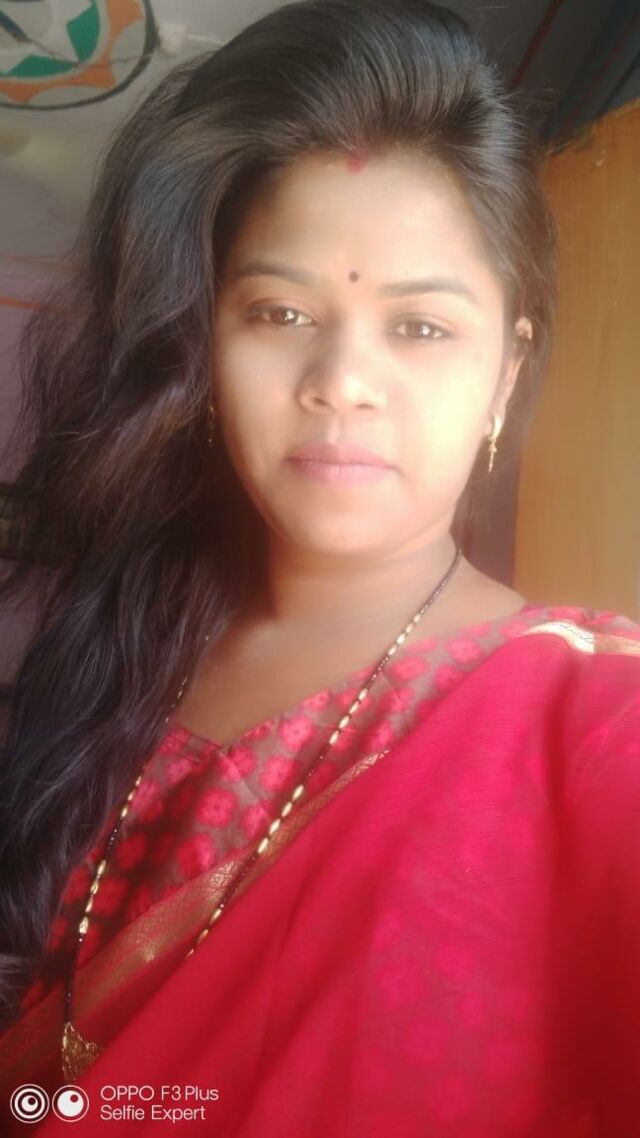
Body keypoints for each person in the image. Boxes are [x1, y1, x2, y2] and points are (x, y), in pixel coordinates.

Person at [0, 1, 639, 1134]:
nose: (341, 379)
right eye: (281, 312)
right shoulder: (120, 642)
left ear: (505, 374)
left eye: (421, 327)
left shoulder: (585, 720)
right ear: (203, 348)